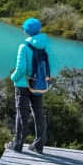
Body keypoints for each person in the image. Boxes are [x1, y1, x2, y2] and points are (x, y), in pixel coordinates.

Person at [7, 17, 51, 153]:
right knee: (38, 113)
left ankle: (17, 144)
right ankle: (38, 145)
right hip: (39, 83)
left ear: (26, 31)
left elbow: (21, 69)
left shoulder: (24, 47)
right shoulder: (45, 44)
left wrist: (13, 77)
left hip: (23, 84)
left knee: (22, 114)